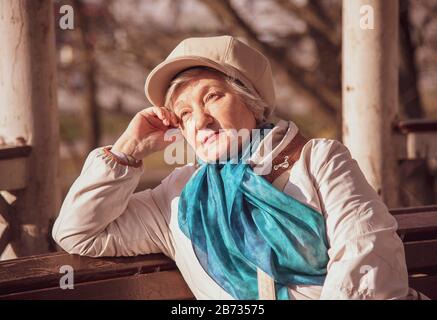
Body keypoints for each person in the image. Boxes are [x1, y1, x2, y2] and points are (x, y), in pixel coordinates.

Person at [52, 35, 416, 300]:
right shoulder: (176, 199)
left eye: (212, 97)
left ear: (252, 102)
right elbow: (76, 232)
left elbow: (369, 258)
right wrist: (126, 151)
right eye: (184, 114)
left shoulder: (319, 159)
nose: (201, 121)